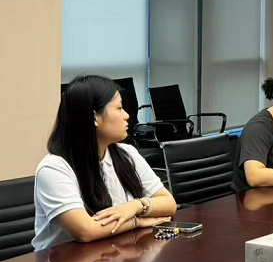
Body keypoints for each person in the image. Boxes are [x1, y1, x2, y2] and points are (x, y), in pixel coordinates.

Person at [33, 75, 176, 250]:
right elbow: (85, 231)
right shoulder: (54, 168)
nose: (127, 115)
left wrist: (136, 206)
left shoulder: (127, 153)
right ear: (95, 117)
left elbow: (169, 203)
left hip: (113, 253)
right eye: (119, 108)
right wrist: (136, 221)